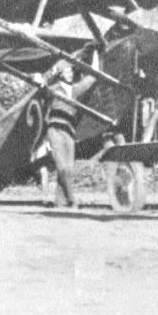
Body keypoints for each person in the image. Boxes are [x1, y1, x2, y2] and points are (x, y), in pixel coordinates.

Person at [39, 61, 96, 207]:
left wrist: (97, 51)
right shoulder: (53, 89)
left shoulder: (75, 90)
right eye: (67, 71)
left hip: (69, 131)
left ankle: (60, 201)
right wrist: (42, 79)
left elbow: (93, 76)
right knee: (62, 167)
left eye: (71, 71)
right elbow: (41, 87)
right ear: (60, 74)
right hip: (55, 129)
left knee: (69, 170)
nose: (70, 74)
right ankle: (72, 199)